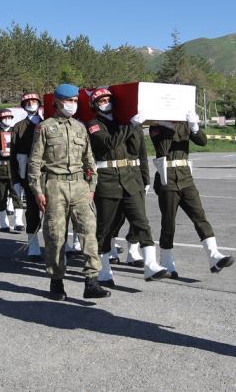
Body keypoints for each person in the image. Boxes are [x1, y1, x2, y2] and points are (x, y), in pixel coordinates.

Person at [27, 84, 110, 301]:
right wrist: (37, 190)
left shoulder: (80, 127)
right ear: (57, 102)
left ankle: (91, 281)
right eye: (68, 100)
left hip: (80, 186)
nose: (72, 104)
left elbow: (88, 159)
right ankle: (56, 281)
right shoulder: (44, 127)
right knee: (55, 236)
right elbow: (35, 162)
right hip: (55, 186)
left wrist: (91, 186)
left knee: (89, 232)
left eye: (75, 100)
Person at [86, 88, 168, 285]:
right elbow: (110, 143)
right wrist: (131, 125)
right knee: (105, 227)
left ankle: (150, 264)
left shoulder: (129, 124)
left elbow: (140, 153)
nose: (106, 102)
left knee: (141, 222)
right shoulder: (93, 125)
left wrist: (145, 180)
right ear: (95, 105)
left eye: (108, 99)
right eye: (101, 100)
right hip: (107, 181)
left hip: (132, 180)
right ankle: (103, 270)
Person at [149, 111, 235, 278]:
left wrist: (195, 128)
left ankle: (214, 256)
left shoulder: (184, 124)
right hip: (167, 178)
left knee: (199, 216)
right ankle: (166, 261)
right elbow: (163, 148)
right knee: (168, 222)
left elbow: (202, 142)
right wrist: (168, 126)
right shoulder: (156, 126)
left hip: (186, 176)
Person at [11, 93, 44, 261]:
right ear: (23, 105)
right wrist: (15, 180)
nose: (31, 104)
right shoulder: (18, 127)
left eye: (34, 101)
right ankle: (33, 244)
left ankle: (62, 245)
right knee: (32, 212)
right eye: (28, 102)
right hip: (29, 176)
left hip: (48, 175)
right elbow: (13, 156)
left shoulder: (48, 123)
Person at [0, 109, 23, 232]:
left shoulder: (15, 132)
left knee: (17, 195)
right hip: (1, 168)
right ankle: (3, 223)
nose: (8, 120)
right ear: (0, 119)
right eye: (5, 118)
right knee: (2, 196)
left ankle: (18, 222)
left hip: (14, 168)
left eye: (10, 118)